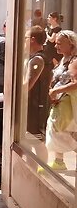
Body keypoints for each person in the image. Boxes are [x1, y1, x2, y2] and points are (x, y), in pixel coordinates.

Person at [45, 30, 77, 171]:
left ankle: (59, 162)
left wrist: (56, 91)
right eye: (56, 43)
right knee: (59, 132)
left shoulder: (74, 61)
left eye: (59, 43)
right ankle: (59, 162)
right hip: (60, 103)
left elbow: (76, 83)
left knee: (69, 134)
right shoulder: (63, 60)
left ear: (71, 44)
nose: (56, 46)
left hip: (69, 105)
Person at [23, 26, 53, 170]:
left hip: (35, 107)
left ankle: (39, 170)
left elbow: (27, 85)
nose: (24, 42)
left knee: (35, 142)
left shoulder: (37, 59)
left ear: (33, 40)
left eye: (26, 39)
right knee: (31, 141)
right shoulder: (40, 58)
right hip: (36, 105)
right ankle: (34, 170)